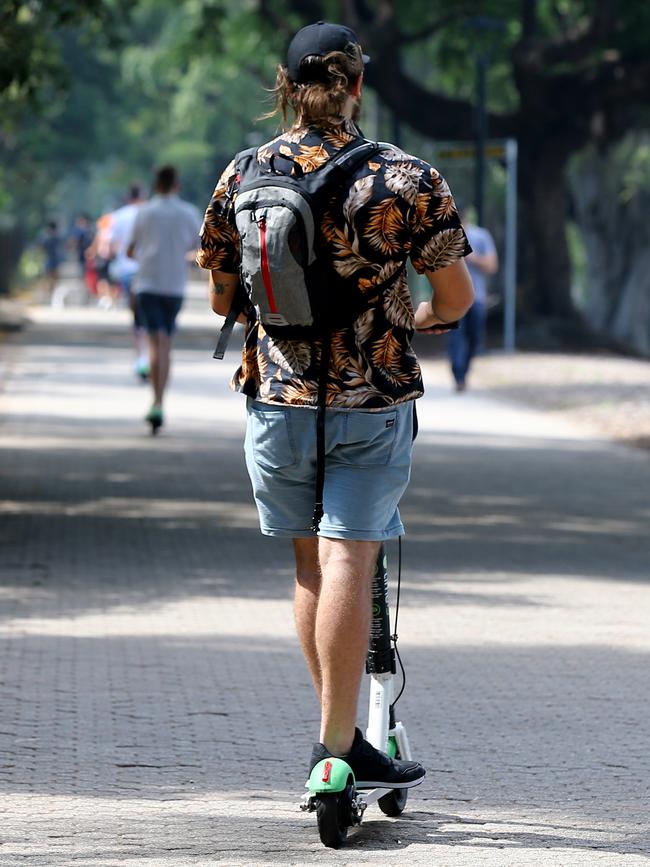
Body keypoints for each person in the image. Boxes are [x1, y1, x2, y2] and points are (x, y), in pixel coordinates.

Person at [197, 21, 474, 789]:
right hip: (371, 397)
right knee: (352, 553)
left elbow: (223, 290)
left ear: (285, 87)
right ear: (358, 85)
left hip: (277, 398)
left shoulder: (243, 173)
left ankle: (335, 736)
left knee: (308, 565)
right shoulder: (407, 178)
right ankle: (336, 747)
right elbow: (454, 297)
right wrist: (410, 324)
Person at [127, 165, 202, 431]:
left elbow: (129, 250)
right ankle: (159, 402)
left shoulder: (144, 212)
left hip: (147, 284)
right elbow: (199, 249)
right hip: (174, 286)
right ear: (177, 184)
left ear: (155, 184)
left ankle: (155, 402)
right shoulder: (189, 212)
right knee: (165, 342)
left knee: (153, 340)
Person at [447, 206, 498, 392]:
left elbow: (491, 265)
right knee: (456, 339)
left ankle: (464, 371)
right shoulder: (446, 237)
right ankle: (458, 376)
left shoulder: (480, 236)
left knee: (474, 337)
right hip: (453, 298)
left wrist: (470, 256)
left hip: (477, 298)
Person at [109, 184, 150, 380]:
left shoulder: (117, 216)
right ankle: (148, 358)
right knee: (150, 318)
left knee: (137, 319)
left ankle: (141, 358)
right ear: (143, 196)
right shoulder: (150, 214)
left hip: (126, 272)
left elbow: (112, 245)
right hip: (149, 271)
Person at [40, 221, 64, 298]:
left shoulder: (46, 237)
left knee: (49, 276)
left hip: (49, 259)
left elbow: (41, 247)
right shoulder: (57, 237)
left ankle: (50, 292)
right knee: (54, 277)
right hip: (55, 259)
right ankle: (52, 292)